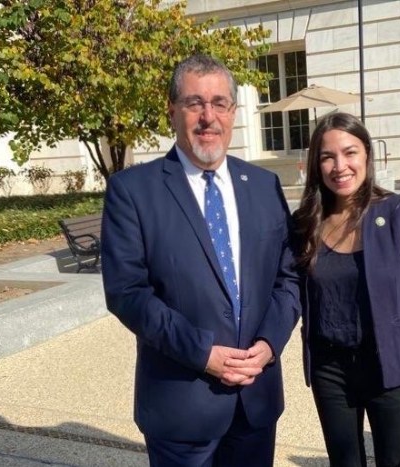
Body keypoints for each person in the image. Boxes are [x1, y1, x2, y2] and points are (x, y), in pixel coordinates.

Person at [101, 54, 300, 466]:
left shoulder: (264, 186)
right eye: (194, 103)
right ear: (173, 111)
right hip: (181, 409)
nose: (208, 116)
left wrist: (269, 344)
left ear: (232, 112)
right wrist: (203, 352)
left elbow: (289, 277)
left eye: (219, 103)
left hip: (255, 403)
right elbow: (127, 294)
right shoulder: (133, 191)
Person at [292, 112, 400, 467]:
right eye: (327, 157)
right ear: (316, 164)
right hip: (331, 371)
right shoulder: (305, 223)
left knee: (397, 462)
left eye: (350, 153)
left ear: (367, 156)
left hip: (391, 367)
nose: (339, 166)